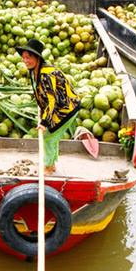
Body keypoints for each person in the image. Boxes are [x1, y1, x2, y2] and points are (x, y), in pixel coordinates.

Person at [17, 39, 80, 173]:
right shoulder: (34, 70)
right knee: (52, 135)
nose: (25, 61)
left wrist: (45, 122)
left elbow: (52, 100)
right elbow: (41, 93)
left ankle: (49, 166)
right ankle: (51, 162)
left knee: (48, 136)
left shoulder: (46, 74)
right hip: (58, 107)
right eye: (23, 58)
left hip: (66, 108)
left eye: (28, 57)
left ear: (37, 57)